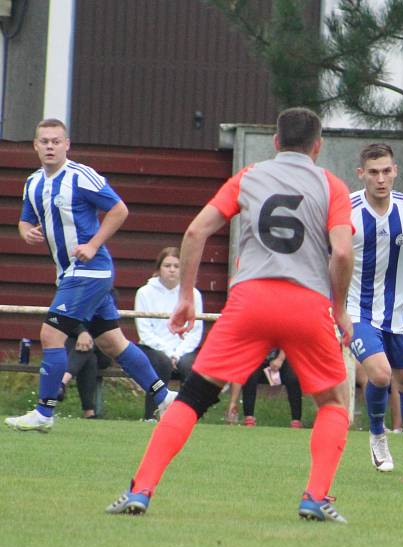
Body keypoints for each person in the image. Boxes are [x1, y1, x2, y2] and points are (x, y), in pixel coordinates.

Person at [106, 107, 355, 523]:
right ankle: (315, 497)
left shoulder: (249, 176)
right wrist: (340, 308)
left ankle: (142, 488)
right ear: (318, 146)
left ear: (276, 142)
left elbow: (195, 232)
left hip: (250, 300)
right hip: (306, 305)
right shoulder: (332, 186)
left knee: (194, 396)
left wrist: (186, 295)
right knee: (333, 403)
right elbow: (343, 252)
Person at [5, 118, 176, 432]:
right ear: (35, 145)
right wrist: (26, 232)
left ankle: (44, 413)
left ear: (67, 144)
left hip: (90, 271)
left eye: (56, 141)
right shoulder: (33, 183)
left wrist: (94, 244)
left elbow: (119, 209)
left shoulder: (81, 176)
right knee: (112, 342)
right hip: (70, 272)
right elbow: (25, 220)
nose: (50, 146)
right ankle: (164, 397)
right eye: (44, 141)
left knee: (51, 335)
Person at [347, 143, 403, 472]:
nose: (381, 179)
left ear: (395, 171)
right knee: (381, 375)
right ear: (361, 174)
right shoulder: (347, 210)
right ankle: (377, 436)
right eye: (373, 172)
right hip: (358, 311)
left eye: (386, 171)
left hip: (399, 315)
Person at [135, 247, 203, 420]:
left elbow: (195, 332)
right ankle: (152, 415)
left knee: (191, 367)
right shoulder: (144, 292)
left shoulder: (193, 294)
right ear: (159, 268)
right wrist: (168, 353)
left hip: (183, 349)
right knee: (162, 363)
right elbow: (144, 331)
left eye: (176, 266)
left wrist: (178, 354)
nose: (172, 270)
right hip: (152, 348)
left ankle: (189, 416)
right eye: (167, 265)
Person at [234, 349, 304, 428]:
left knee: (292, 379)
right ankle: (249, 417)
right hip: (257, 357)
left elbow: (288, 342)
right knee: (249, 376)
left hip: (281, 356)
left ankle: (296, 420)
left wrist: (280, 359)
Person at [59, 328, 112, 418]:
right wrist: (82, 332)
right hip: (77, 349)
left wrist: (84, 334)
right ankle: (89, 413)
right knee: (90, 359)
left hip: (102, 351)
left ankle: (62, 382)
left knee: (86, 343)